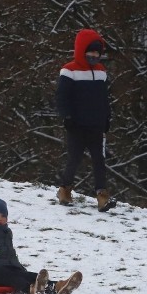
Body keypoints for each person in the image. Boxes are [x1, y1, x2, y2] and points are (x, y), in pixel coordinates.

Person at [0, 198, 83, 294]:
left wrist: (19, 268)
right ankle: (30, 289)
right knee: (13, 278)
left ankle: (57, 286)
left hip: (6, 267)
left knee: (27, 275)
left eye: (3, 216)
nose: (0, 219)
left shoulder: (6, 232)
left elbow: (10, 253)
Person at [55, 28, 114, 212]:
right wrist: (67, 117)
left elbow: (104, 98)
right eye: (91, 51)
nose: (94, 55)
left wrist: (106, 118)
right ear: (82, 50)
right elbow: (62, 97)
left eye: (97, 52)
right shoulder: (69, 70)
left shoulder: (101, 72)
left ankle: (102, 196)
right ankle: (65, 189)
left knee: (99, 161)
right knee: (74, 159)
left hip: (96, 125)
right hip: (77, 125)